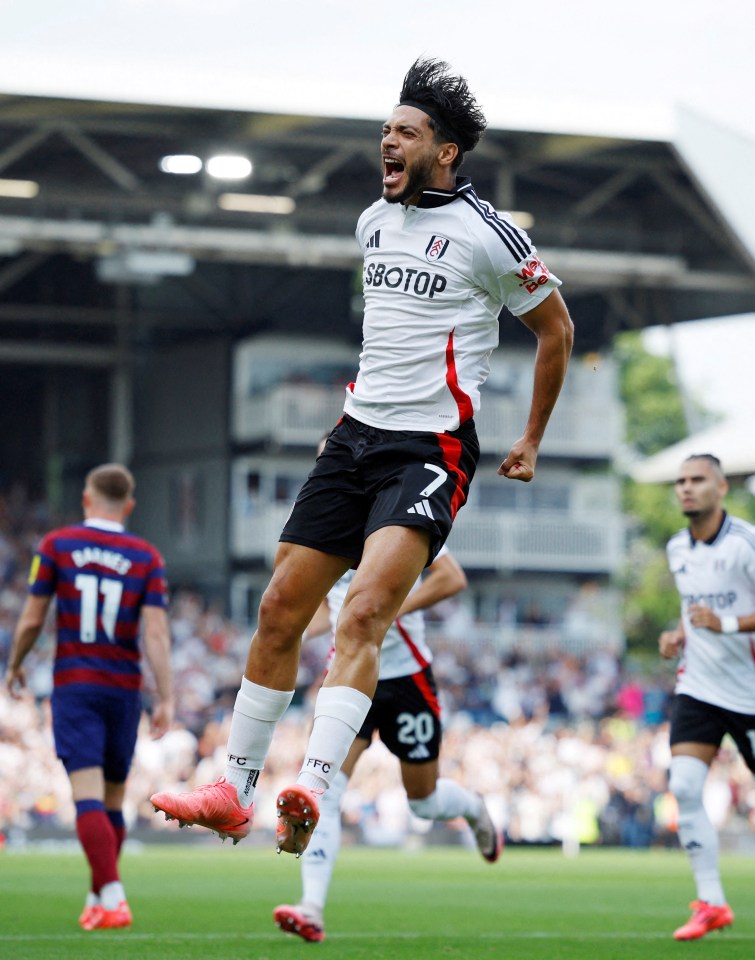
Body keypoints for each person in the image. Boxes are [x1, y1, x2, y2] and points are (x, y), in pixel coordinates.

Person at [151, 56, 573, 858]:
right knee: (280, 607)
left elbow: (557, 331)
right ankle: (233, 791)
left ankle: (310, 780)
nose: (388, 141)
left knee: (365, 609)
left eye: (405, 133)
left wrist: (529, 440)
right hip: (353, 436)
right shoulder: (370, 223)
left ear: (444, 152)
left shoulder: (488, 235)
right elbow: (387, 335)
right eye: (385, 130)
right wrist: (345, 412)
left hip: (430, 448)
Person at [274, 544, 500, 942]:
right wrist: (286, 634)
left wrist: (393, 607)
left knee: (423, 800)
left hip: (407, 679)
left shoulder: (403, 516)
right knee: (321, 788)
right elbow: (330, 606)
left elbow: (452, 577)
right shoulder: (331, 522)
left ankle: (471, 807)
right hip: (347, 670)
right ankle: (311, 908)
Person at [6, 463, 173, 931]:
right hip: (124, 690)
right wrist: (166, 698)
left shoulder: (56, 546)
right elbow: (156, 634)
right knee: (113, 801)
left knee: (87, 798)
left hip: (76, 687)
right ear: (130, 505)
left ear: (86, 499)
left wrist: (16, 662)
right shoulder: (147, 557)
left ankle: (113, 897)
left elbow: (34, 618)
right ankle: (100, 896)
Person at [659, 453, 755, 941]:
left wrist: (728, 624)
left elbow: (725, 613)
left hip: (750, 691)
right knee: (687, 786)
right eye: (680, 481)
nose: (686, 488)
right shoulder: (677, 547)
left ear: (721, 488)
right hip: (698, 686)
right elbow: (693, 607)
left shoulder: (745, 544)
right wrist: (679, 633)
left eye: (697, 480)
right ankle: (712, 902)